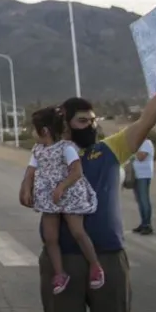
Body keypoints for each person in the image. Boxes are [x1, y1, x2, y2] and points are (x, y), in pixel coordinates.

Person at [27, 67, 156, 312]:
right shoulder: (49, 153)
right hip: (62, 260)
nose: (90, 126)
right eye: (82, 120)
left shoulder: (111, 150)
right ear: (65, 122)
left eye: (93, 120)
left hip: (108, 258)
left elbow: (147, 119)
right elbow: (30, 192)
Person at [21, 106, 103, 295]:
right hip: (48, 199)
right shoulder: (37, 150)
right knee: (50, 238)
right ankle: (60, 273)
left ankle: (95, 266)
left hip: (69, 195)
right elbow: (30, 171)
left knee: (78, 232)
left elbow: (77, 171)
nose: (32, 133)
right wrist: (26, 188)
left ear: (45, 131)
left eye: (34, 129)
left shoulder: (66, 148)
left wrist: (62, 186)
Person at [131, 137, 155, 234]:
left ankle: (147, 225)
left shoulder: (146, 143)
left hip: (144, 175)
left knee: (144, 199)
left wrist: (132, 153)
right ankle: (143, 223)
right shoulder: (138, 143)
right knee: (140, 200)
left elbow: (141, 157)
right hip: (136, 175)